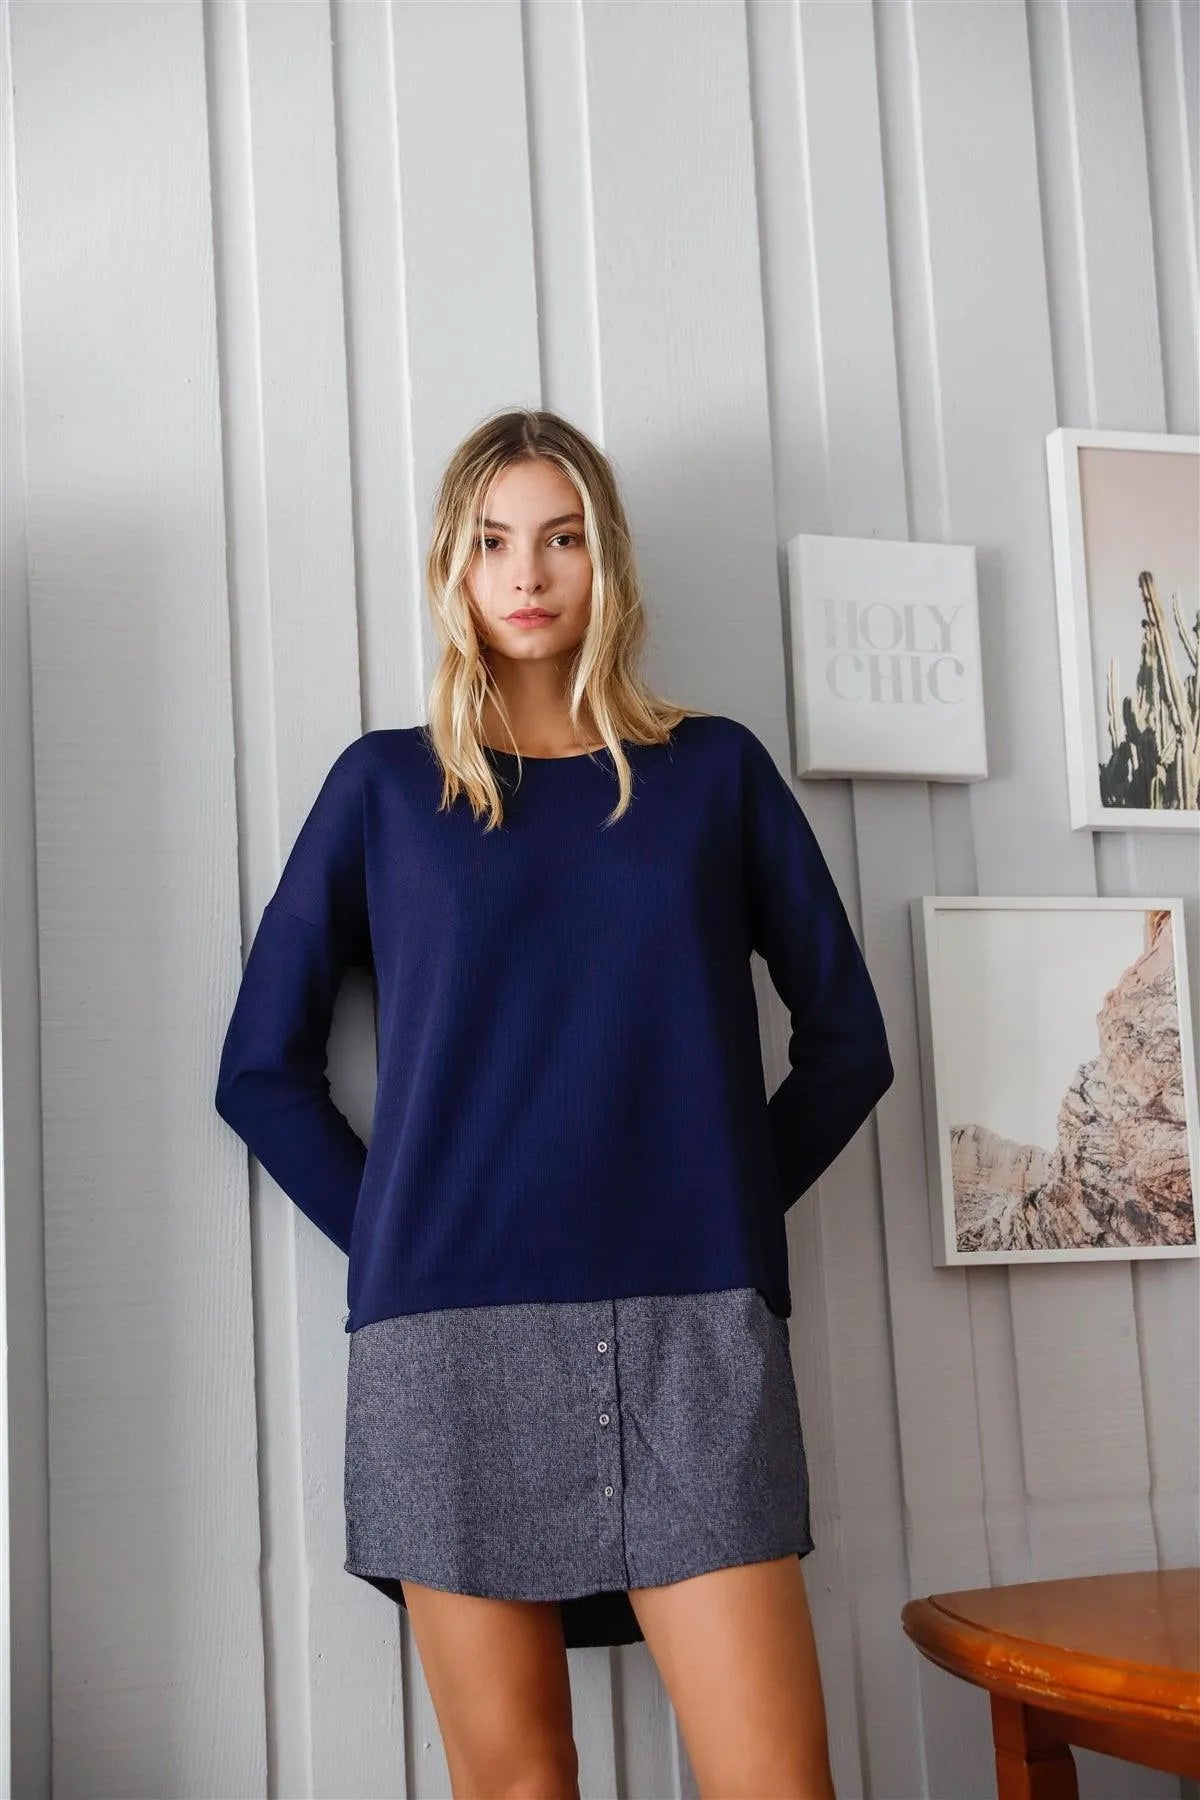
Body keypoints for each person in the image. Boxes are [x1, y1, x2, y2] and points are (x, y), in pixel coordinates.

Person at [214, 407, 894, 1800]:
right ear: (454, 569)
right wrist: (404, 1236)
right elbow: (259, 1072)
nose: (527, 573)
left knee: (778, 1784)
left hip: (695, 1342)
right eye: (493, 541)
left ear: (608, 560)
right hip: (447, 1352)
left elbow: (848, 1046)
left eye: (562, 538)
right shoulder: (384, 789)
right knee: (519, 1786)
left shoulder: (716, 771)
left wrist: (716, 1206)